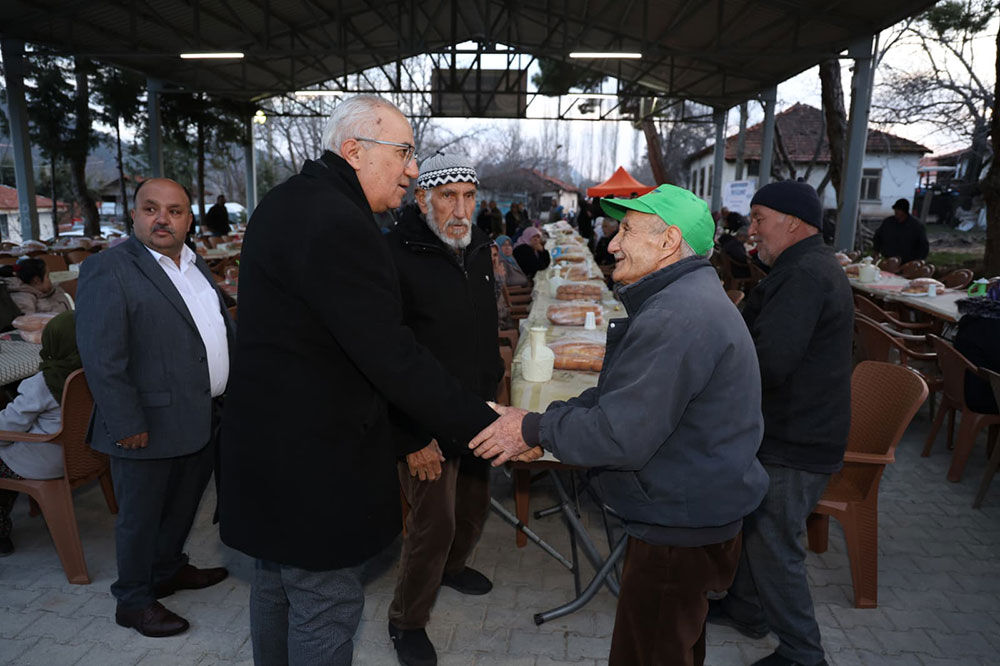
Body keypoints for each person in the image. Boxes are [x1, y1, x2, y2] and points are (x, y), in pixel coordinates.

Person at [218, 95, 498, 665]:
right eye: (403, 153)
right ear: (354, 150)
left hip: (266, 448)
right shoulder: (340, 223)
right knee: (324, 605)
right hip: (313, 462)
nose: (411, 169)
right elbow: (391, 353)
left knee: (275, 587)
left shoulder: (286, 201)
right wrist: (484, 422)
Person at [467, 184, 769, 666]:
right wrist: (541, 424)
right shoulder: (684, 298)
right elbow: (619, 398)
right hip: (693, 512)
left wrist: (531, 430)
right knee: (674, 645)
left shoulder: (675, 315)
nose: (612, 243)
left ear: (669, 241)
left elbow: (618, 433)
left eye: (627, 230)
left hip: (678, 524)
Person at [76, 177, 235, 638]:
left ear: (189, 219)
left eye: (174, 210)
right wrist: (125, 422)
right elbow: (102, 358)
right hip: (145, 423)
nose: (162, 219)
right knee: (141, 519)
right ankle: (132, 600)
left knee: (183, 507)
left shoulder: (195, 264)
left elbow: (212, 331)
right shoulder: (109, 268)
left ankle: (166, 570)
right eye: (151, 209)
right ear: (134, 215)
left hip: (201, 416)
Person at [709, 180, 853, 666]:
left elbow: (770, 362)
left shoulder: (805, 275)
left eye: (759, 219)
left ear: (793, 222)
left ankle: (803, 653)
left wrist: (713, 372)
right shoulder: (801, 266)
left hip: (796, 438)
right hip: (794, 427)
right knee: (757, 524)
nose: (752, 231)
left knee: (774, 542)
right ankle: (747, 610)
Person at [384, 153, 502, 666]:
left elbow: (481, 328)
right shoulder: (395, 254)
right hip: (424, 420)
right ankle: (406, 620)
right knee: (433, 525)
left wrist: (493, 395)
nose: (460, 208)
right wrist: (409, 436)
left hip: (475, 410)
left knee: (473, 508)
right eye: (448, 196)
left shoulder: (476, 246)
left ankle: (452, 569)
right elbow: (385, 356)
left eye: (469, 196)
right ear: (421, 198)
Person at [0, 311, 80, 557]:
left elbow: (9, 426)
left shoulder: (45, 381)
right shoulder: (94, 372)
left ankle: (1, 533)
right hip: (86, 454)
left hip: (49, 459)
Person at [0, 258, 72, 315]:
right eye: (47, 277)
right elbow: (28, 323)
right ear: (36, 280)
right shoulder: (23, 299)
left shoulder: (46, 291)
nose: (50, 281)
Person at [872, 198, 929, 264]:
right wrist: (876, 251)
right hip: (889, 260)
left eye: (899, 210)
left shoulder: (916, 226)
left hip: (908, 262)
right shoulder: (888, 222)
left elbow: (923, 246)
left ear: (905, 211)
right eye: (895, 209)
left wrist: (919, 260)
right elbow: (877, 237)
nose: (896, 212)